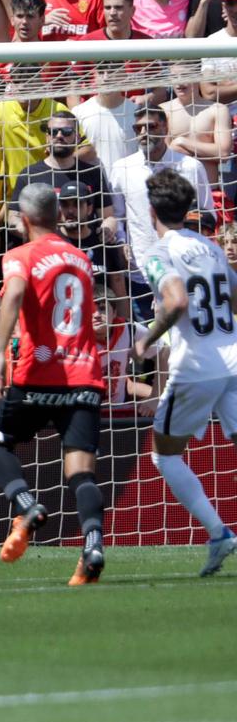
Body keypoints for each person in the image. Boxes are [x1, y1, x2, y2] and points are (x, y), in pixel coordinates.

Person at [0, 183, 107, 586]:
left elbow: (16, 291)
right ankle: (92, 547)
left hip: (39, 374)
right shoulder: (81, 258)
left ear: (25, 219)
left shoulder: (20, 255)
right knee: (81, 473)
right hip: (84, 375)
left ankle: (26, 505)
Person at [131, 168, 237, 577]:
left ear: (151, 209)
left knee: (164, 454)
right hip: (232, 356)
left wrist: (148, 338)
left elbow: (175, 302)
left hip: (196, 366)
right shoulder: (209, 246)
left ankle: (218, 533)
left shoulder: (160, 251)